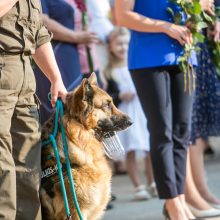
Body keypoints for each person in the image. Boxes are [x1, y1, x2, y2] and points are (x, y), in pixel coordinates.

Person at [114, 0, 198, 219]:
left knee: (182, 131)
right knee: (162, 131)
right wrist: (165, 26)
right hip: (147, 58)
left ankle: (179, 199)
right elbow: (122, 16)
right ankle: (171, 202)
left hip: (185, 55)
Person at [0, 1, 67, 219]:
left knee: (29, 169)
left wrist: (55, 77)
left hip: (25, 78)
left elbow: (39, 33)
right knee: (3, 171)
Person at [104, 27, 157, 200]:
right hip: (125, 114)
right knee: (131, 150)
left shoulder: (136, 64)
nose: (123, 47)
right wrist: (119, 96)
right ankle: (138, 186)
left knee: (148, 149)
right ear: (110, 47)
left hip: (141, 111)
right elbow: (108, 97)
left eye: (126, 43)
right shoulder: (108, 72)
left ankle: (152, 182)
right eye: (118, 44)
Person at [185, 0, 220, 216]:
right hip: (186, 44)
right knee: (190, 123)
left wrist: (215, 20)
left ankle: (201, 189)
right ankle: (193, 193)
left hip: (204, 47)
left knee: (197, 124)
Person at [34, 0, 96, 123]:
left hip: (76, 59)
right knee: (59, 115)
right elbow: (41, 22)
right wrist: (76, 37)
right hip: (56, 57)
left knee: (78, 114)